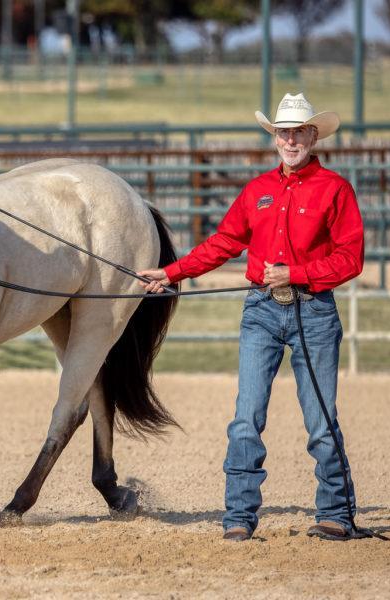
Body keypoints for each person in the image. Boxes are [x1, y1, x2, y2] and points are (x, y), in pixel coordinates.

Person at [138, 93, 364, 542]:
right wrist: (172, 273)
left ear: (313, 136)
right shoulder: (257, 191)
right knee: (246, 418)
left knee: (320, 421)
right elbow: (223, 242)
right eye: (283, 132)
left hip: (313, 312)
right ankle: (239, 517)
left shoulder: (335, 189)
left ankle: (336, 513)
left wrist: (296, 274)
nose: (290, 140)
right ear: (275, 138)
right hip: (261, 311)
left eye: (298, 132)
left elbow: (350, 258)